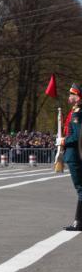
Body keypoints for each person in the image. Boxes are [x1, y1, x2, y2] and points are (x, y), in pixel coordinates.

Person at [59, 83, 82, 231]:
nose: (69, 97)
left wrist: (63, 141)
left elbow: (77, 136)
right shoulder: (75, 112)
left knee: (80, 188)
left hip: (75, 155)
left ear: (77, 97)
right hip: (74, 154)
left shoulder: (77, 114)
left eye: (71, 94)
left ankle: (78, 222)